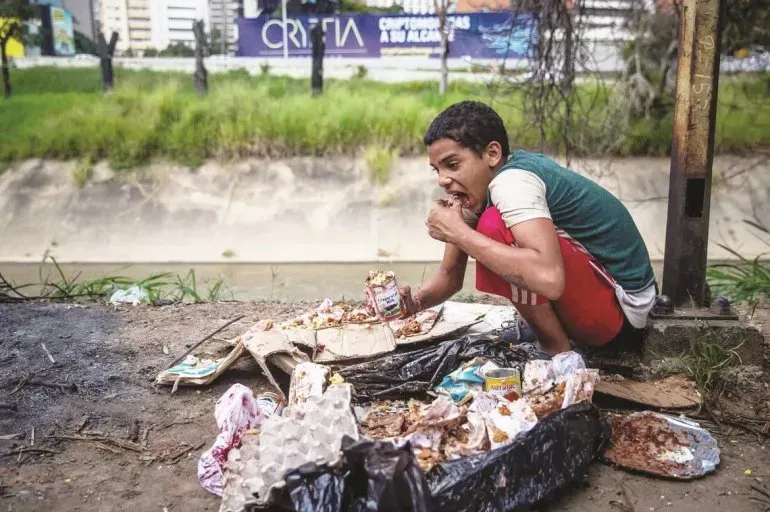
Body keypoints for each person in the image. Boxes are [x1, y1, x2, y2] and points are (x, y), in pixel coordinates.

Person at [400, 100, 657, 355]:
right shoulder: (479, 193)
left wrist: (459, 232)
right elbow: (449, 277)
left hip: (621, 316)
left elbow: (550, 280)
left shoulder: (513, 183)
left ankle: (553, 347)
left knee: (492, 226)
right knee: (485, 224)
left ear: (492, 154)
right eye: (437, 169)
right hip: (600, 304)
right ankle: (551, 335)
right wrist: (416, 304)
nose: (443, 180)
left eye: (453, 165)